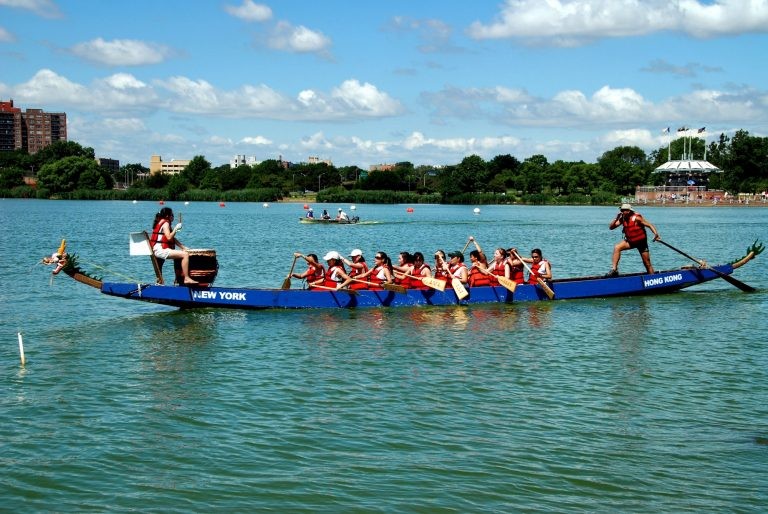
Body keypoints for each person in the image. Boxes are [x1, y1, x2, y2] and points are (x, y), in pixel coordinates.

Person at [607, 203, 660, 276]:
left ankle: (653, 278)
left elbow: (649, 225)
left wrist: (656, 234)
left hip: (641, 243)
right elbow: (611, 227)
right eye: (621, 210)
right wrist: (616, 218)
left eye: (623, 210)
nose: (622, 212)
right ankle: (614, 270)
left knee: (647, 263)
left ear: (629, 211)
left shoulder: (637, 218)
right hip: (630, 242)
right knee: (617, 247)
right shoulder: (622, 218)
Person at [150, 207, 197, 285]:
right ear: (167, 216)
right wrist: (176, 229)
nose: (173, 217)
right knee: (185, 255)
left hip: (156, 250)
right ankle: (186, 278)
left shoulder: (160, 221)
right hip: (160, 250)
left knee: (179, 255)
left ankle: (169, 282)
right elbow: (169, 237)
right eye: (172, 215)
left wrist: (183, 247)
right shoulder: (166, 223)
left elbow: (172, 239)